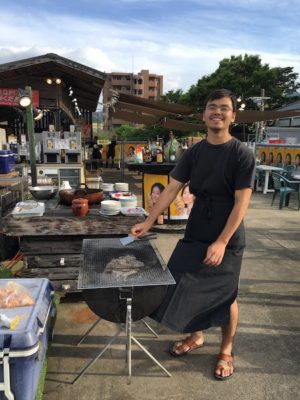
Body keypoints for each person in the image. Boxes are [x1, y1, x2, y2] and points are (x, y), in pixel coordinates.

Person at [131, 89, 255, 380]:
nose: (218, 112)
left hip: (228, 234)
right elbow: (172, 187)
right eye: (213, 107)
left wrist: (222, 242)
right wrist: (148, 221)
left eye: (224, 108)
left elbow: (242, 203)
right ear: (204, 115)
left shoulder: (241, 154)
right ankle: (196, 335)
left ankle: (226, 349)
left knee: (226, 296)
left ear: (233, 116)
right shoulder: (194, 152)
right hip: (198, 226)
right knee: (181, 283)